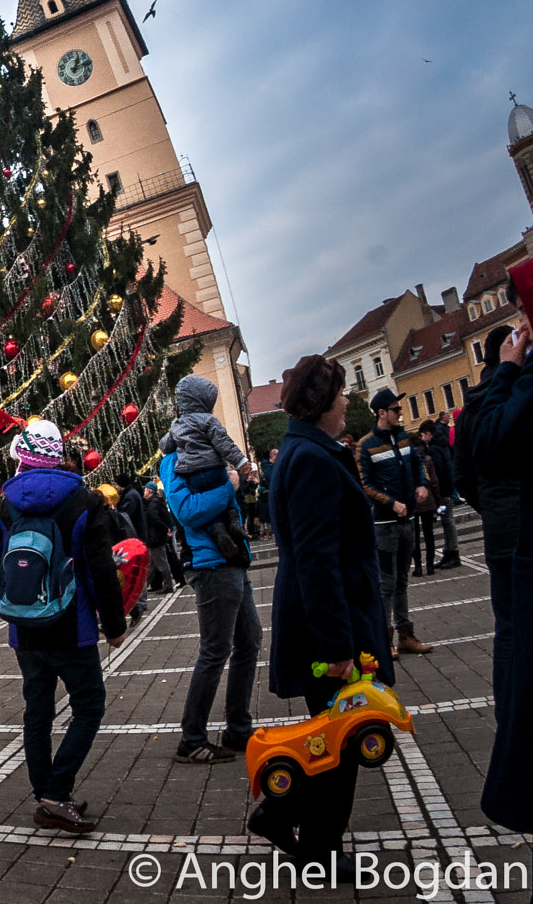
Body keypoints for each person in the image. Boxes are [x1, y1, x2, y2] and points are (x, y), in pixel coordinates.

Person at [253, 355, 390, 877]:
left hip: (329, 620)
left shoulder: (306, 449)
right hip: (328, 629)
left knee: (335, 737)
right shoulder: (310, 458)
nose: (348, 401)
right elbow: (315, 557)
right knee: (340, 742)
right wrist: (336, 646)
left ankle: (295, 824)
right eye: (341, 394)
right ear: (321, 403)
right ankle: (314, 846)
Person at [0, 418, 127, 835]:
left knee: (37, 710)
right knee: (89, 704)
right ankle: (56, 795)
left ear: (22, 457)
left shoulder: (6, 503)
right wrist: (114, 624)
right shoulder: (84, 500)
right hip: (72, 627)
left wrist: (9, 591)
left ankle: (47, 793)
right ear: (59, 457)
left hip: (24, 630)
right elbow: (99, 570)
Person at [470, 309, 533, 833]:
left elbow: (465, 477)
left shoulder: (479, 404)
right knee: (514, 626)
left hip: (499, 522)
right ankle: (513, 709)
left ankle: (510, 707)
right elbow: (481, 455)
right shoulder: (501, 399)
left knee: (509, 626)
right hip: (512, 525)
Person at [160, 449, 261, 765]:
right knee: (215, 650)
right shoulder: (173, 460)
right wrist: (227, 487)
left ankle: (238, 729)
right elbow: (188, 511)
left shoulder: (211, 454)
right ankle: (191, 739)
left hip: (233, 561)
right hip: (209, 565)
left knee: (250, 641)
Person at [355, 389, 432, 658]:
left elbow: (418, 466)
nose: (400, 413)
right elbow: (365, 484)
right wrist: (390, 502)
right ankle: (383, 638)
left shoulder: (404, 438)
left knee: (402, 580)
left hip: (407, 519)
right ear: (382, 413)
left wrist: (422, 485)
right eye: (396, 409)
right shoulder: (365, 445)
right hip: (384, 523)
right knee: (385, 584)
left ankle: (405, 635)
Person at [413, 420, 462, 571]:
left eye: (422, 435)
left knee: (447, 521)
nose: (422, 438)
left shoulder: (433, 449)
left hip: (442, 490)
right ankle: (449, 553)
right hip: (447, 487)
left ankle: (452, 553)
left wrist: (437, 494)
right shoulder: (442, 443)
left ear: (428, 433)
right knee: (447, 521)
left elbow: (437, 473)